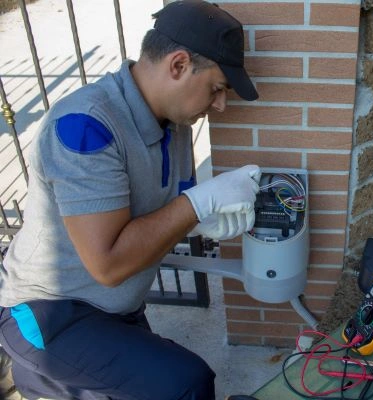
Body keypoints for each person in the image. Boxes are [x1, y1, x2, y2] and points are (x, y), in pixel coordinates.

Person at [0, 1, 261, 399]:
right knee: (185, 383)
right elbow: (108, 264)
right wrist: (195, 205)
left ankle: (48, 381)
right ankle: (39, 377)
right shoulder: (85, 125)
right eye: (217, 87)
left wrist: (196, 216)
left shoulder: (176, 125)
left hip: (115, 309)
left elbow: (168, 208)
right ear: (177, 65)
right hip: (49, 311)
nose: (221, 105)